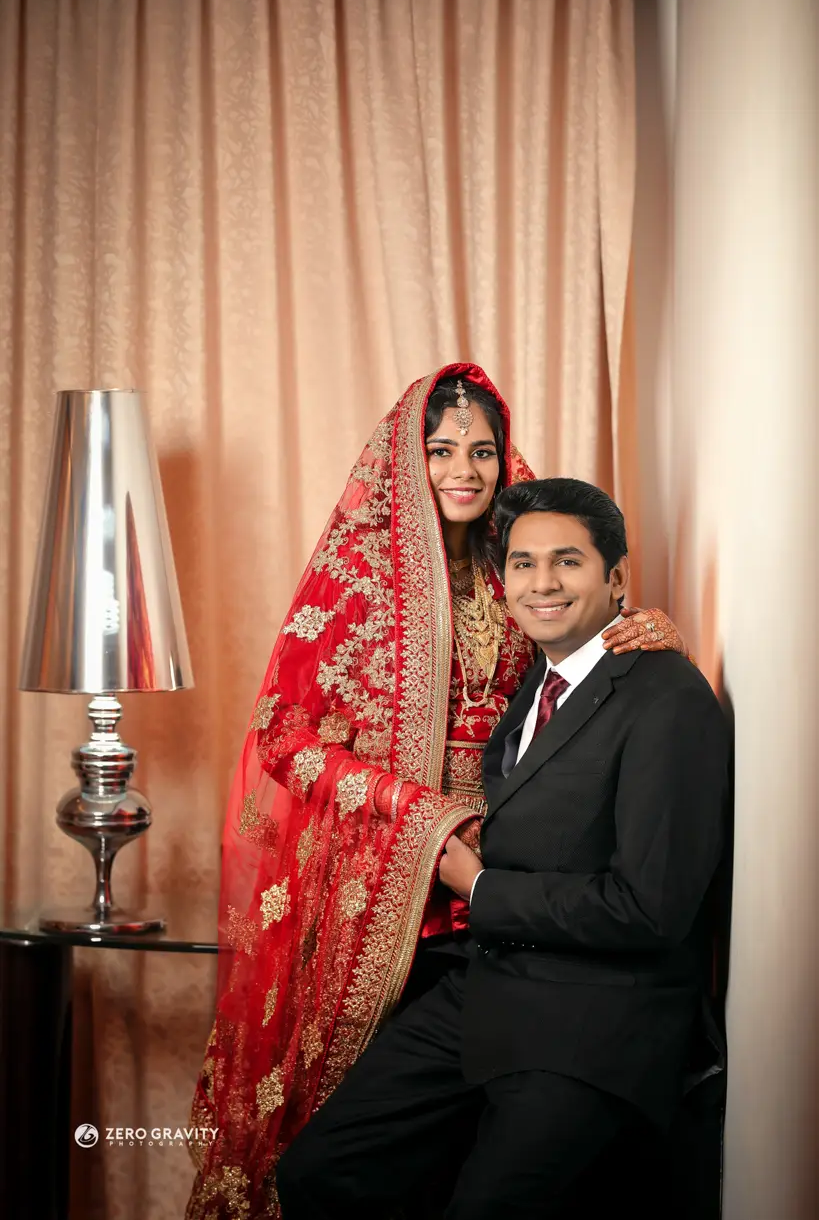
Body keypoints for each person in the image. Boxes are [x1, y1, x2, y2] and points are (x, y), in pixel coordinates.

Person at [185, 372, 686, 1220]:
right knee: (348, 1136)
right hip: (380, 877)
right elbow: (280, 734)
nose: (464, 469)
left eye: (482, 450)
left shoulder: (512, 563)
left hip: (504, 888)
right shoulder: (356, 574)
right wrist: (417, 812)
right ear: (405, 459)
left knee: (455, 1141)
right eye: (441, 449)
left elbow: (577, 664)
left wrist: (641, 626)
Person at [275, 476, 729, 1220]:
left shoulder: (667, 698)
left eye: (567, 561)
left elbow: (650, 909)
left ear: (616, 578)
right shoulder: (537, 682)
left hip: (595, 1023)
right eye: (523, 563)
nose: (541, 583)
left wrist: (480, 887)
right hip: (491, 991)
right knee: (319, 1172)